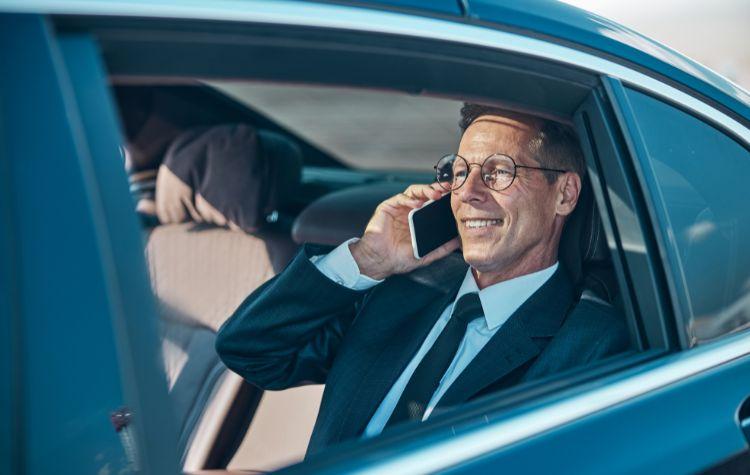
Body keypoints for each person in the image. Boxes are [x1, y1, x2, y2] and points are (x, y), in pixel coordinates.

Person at [215, 104, 630, 456]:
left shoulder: (589, 345)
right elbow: (249, 348)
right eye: (460, 171)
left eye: (499, 172)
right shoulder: (402, 290)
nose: (468, 192)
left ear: (565, 195)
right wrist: (368, 258)